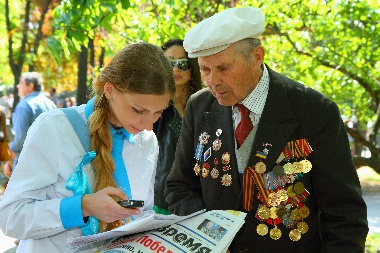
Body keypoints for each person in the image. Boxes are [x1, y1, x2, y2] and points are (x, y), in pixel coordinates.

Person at [164, 7, 368, 253]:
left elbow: (345, 215)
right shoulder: (199, 106)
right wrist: (211, 235)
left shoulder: (314, 111)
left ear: (257, 56)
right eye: (205, 69)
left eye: (224, 68)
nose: (213, 81)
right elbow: (179, 186)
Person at [0, 42, 175, 252]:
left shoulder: (146, 141)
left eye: (158, 113)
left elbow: (142, 211)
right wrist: (83, 206)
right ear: (110, 90)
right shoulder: (54, 128)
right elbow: (11, 217)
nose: (148, 125)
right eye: (138, 110)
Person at [153, 39, 202, 214]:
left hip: (198, 197)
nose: (175, 69)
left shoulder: (205, 106)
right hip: (160, 199)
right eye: (169, 63)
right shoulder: (153, 107)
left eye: (182, 64)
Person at [2, 72, 56, 178]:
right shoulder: (51, 104)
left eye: (21, 83)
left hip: (27, 163)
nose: (18, 86)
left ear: (30, 86)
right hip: (49, 163)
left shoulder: (24, 105)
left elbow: (19, 136)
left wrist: (10, 161)